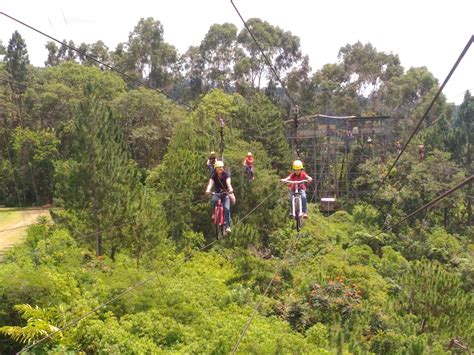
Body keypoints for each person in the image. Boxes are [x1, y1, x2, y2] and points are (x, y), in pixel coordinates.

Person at [205, 160, 235, 233]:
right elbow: (210, 183)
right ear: (215, 169)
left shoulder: (226, 174)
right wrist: (208, 190)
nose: (219, 169)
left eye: (221, 167)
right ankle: (213, 212)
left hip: (226, 192)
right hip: (217, 192)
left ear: (223, 168)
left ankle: (227, 226)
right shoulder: (214, 175)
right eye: (218, 168)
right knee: (213, 200)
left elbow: (228, 183)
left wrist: (230, 189)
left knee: (226, 208)